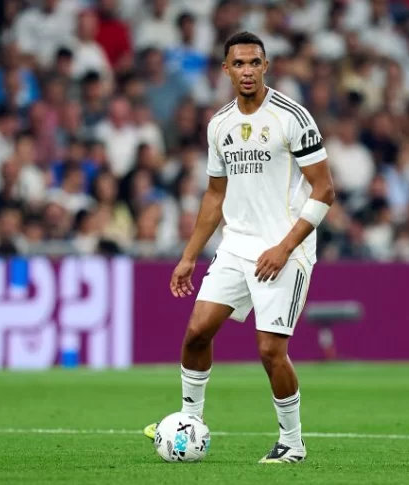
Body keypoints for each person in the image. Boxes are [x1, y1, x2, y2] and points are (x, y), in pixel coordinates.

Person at [142, 32, 335, 464]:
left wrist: (284, 248)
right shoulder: (219, 124)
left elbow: (324, 190)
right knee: (197, 333)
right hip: (236, 246)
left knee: (270, 351)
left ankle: (292, 442)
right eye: (239, 64)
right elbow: (215, 195)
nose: (247, 71)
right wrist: (189, 256)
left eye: (254, 63)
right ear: (225, 70)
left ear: (266, 66)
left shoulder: (292, 117)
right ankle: (190, 421)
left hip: (286, 249)